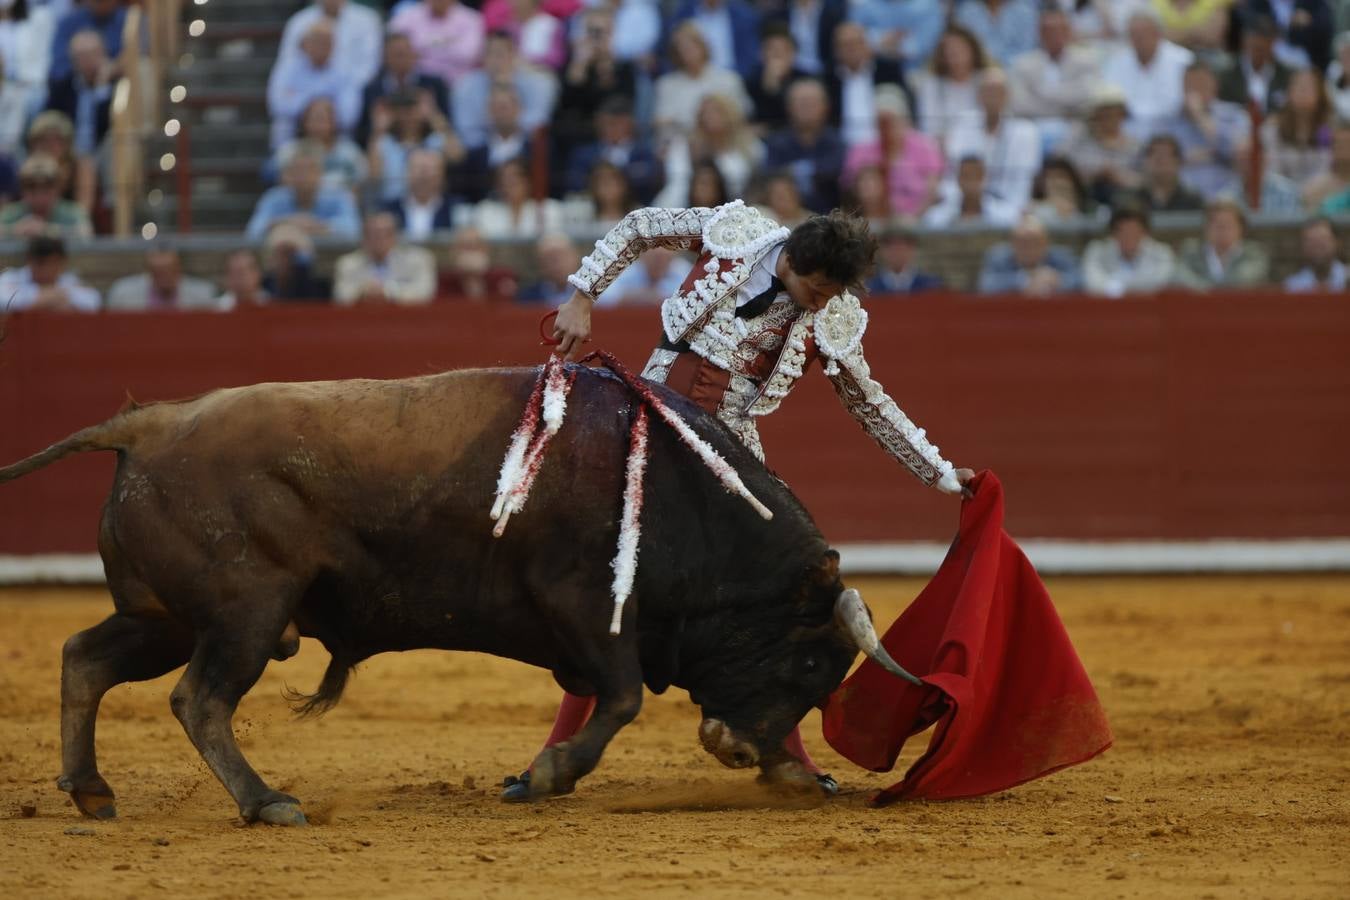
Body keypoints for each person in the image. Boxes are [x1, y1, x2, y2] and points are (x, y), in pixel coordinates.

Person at [523, 201, 977, 803]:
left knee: (769, 608)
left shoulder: (833, 315)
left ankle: (791, 760)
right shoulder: (735, 232)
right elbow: (638, 229)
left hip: (731, 455)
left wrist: (942, 475)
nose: (822, 302)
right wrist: (582, 295)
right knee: (611, 584)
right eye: (817, 288)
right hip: (647, 420)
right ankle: (555, 752)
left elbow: (870, 403)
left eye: (832, 293)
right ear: (790, 260)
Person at [945, 67, 1042, 211]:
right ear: (978, 95)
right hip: (964, 206)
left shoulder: (1026, 132)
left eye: (998, 92)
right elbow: (953, 174)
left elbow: (1024, 182)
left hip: (1009, 207)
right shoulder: (963, 125)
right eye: (987, 91)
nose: (992, 97)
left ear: (1008, 95)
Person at [842, 85, 943, 218]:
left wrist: (913, 218)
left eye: (891, 121)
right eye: (881, 122)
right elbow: (849, 192)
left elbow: (932, 191)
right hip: (871, 220)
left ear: (903, 120)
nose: (887, 127)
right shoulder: (860, 152)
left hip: (918, 221)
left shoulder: (925, 147)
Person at [1008, 6, 1102, 145]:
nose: (1055, 35)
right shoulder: (1023, 64)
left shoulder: (1086, 61)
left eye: (1060, 30)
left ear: (1068, 31)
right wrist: (1064, 108)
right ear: (1040, 33)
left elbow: (1088, 96)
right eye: (1049, 31)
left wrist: (1044, 92)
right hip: (1034, 127)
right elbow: (1020, 104)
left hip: (1075, 127)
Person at [452, 30, 558, 151]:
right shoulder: (465, 86)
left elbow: (538, 124)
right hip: (482, 151)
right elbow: (466, 130)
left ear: (513, 55)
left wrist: (507, 94)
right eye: (489, 54)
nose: (495, 61)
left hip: (525, 148)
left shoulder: (539, 83)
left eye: (500, 54)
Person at [266, 18, 361, 148]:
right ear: (305, 44)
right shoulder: (288, 68)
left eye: (326, 42)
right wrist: (316, 107)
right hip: (292, 139)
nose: (321, 47)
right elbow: (277, 104)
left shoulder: (344, 71)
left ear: (334, 45)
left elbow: (349, 114)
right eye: (317, 41)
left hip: (334, 143)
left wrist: (305, 102)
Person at [655, 93, 764, 206]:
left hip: (741, 204)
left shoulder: (750, 145)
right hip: (692, 205)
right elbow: (677, 183)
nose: (710, 116)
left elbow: (757, 182)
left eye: (717, 111)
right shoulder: (685, 146)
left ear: (730, 114)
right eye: (705, 112)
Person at [1101, 8, 1195, 136]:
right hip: (1127, 130)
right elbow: (1110, 100)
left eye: (1144, 34)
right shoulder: (1116, 62)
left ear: (1158, 33)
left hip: (1172, 129)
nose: (1139, 39)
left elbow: (1187, 104)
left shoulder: (1183, 60)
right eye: (1133, 35)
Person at [652, 21, 752, 141]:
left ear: (704, 46)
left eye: (692, 46)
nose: (687, 52)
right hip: (684, 146)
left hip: (725, 143)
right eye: (682, 48)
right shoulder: (666, 85)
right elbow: (662, 123)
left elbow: (741, 116)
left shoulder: (729, 79)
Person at [245, 143, 361, 242]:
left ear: (320, 174)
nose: (303, 176)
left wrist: (317, 226)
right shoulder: (274, 197)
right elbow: (253, 232)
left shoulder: (338, 196)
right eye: (298, 171)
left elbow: (353, 229)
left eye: (309, 170)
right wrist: (289, 222)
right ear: (288, 176)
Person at [1165, 62, 1248, 197]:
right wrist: (1183, 158)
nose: (1195, 91)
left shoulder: (1233, 115)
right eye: (1190, 86)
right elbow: (1159, 157)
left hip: (1226, 195)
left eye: (1201, 84)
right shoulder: (1170, 121)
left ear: (1214, 86)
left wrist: (1200, 117)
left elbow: (1238, 153)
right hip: (1182, 197)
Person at [764, 78, 846, 212]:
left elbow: (838, 178)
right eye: (802, 103)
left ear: (826, 106)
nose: (807, 109)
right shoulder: (776, 144)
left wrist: (795, 171)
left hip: (831, 215)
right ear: (788, 107)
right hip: (785, 217)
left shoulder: (837, 142)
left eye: (812, 103)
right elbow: (771, 177)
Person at [369, 88, 463, 204]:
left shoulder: (434, 140)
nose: (407, 116)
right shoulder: (384, 142)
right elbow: (374, 177)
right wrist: (378, 131)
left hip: (432, 204)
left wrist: (435, 117)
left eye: (413, 108)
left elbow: (457, 156)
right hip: (393, 205)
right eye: (401, 110)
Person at [356, 32, 450, 148]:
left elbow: (448, 125)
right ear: (385, 58)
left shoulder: (433, 85)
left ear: (414, 55)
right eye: (396, 54)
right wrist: (379, 127)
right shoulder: (372, 91)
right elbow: (361, 135)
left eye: (405, 53)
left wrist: (431, 114)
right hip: (386, 151)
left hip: (428, 148)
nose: (401, 59)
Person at [825, 20, 908, 149]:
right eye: (845, 45)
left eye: (857, 43)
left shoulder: (889, 71)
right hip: (841, 149)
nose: (852, 49)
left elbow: (904, 107)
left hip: (884, 145)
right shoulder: (828, 79)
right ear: (836, 51)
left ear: (868, 45)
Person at [562, 96, 661, 202]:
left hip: (637, 207)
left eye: (617, 123)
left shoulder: (644, 153)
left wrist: (616, 177)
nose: (612, 128)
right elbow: (575, 181)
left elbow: (650, 179)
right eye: (607, 123)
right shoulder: (584, 154)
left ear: (630, 124)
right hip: (592, 208)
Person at [277, 0, 383, 95]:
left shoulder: (367, 19)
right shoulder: (298, 22)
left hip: (352, 94)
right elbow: (287, 63)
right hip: (305, 96)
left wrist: (341, 91)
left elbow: (368, 68)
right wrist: (313, 97)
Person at [1059, 85, 1141, 207]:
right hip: (1082, 201)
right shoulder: (1077, 142)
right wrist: (1092, 175)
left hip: (1125, 203)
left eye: (1114, 113)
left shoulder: (1135, 146)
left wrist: (1118, 177)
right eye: (1104, 113)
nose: (1109, 118)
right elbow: (1059, 171)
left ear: (1123, 115)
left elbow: (1145, 182)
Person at [333, 212, 437, 306]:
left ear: (395, 236)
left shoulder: (418, 260)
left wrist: (388, 292)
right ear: (363, 238)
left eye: (386, 234)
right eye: (373, 234)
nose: (379, 239)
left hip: (407, 320)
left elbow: (425, 293)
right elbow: (341, 296)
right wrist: (363, 292)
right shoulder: (348, 263)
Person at [912, 25, 990, 148]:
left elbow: (992, 123)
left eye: (960, 49)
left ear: (972, 50)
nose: (955, 55)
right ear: (942, 56)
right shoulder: (931, 86)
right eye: (949, 51)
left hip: (982, 147)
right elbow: (928, 128)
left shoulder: (986, 81)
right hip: (943, 149)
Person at [269, 97, 369, 193]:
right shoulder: (290, 151)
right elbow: (273, 175)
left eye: (322, 119)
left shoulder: (350, 152)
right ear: (304, 122)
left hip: (339, 206)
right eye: (313, 119)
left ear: (334, 122)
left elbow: (363, 182)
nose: (318, 125)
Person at [1173, 197, 1270, 289]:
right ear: (1206, 228)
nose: (1222, 230)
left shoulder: (1254, 253)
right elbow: (1183, 277)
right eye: (1217, 224)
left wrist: (1208, 289)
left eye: (1228, 224)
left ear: (1241, 229)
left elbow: (1246, 279)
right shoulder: (1190, 252)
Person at [44, 29, 112, 160]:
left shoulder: (117, 86)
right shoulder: (62, 87)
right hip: (70, 153)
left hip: (104, 151)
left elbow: (107, 125)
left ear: (104, 54)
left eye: (93, 54)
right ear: (73, 59)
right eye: (82, 56)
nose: (88, 61)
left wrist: (102, 90)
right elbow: (49, 119)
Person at [1081, 204, 1177, 297]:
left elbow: (1161, 283)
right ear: (1113, 234)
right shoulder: (1097, 251)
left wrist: (1116, 287)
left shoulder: (1162, 253)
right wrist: (1131, 289)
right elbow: (1093, 284)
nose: (1129, 237)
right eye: (1124, 232)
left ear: (1145, 233)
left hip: (1149, 308)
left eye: (1134, 232)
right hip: (1108, 308)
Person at [388, 0, 486, 89]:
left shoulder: (472, 19)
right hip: (417, 83)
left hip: (456, 85)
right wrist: (449, 43)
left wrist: (423, 48)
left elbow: (467, 55)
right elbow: (393, 46)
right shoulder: (407, 15)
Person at [976, 213, 1081, 295]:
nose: (1029, 248)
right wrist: (1024, 281)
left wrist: (1057, 280)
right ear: (1013, 244)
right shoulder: (998, 256)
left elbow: (1080, 281)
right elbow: (986, 284)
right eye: (1023, 243)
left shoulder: (1061, 256)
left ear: (1045, 243)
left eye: (1035, 242)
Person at [1259, 67, 1331, 186]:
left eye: (1308, 87)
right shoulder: (1273, 128)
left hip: (1318, 194)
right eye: (1299, 86)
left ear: (1320, 93)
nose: (1303, 92)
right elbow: (1272, 171)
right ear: (1289, 92)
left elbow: (1327, 168)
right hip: (1281, 193)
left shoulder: (1328, 130)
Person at [466, 157, 564, 239]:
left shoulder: (548, 208)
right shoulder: (485, 210)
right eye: (503, 181)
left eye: (514, 181)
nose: (507, 186)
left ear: (528, 182)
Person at [665, 0, 762, 80]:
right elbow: (671, 52)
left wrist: (731, 78)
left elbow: (749, 57)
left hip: (733, 77)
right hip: (690, 78)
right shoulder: (682, 14)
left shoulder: (744, 16)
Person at [0, 152, 91, 238]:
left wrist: (47, 230)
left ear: (59, 188)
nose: (39, 197)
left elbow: (86, 234)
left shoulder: (74, 213)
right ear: (22, 189)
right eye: (31, 188)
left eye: (47, 189)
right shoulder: (10, 213)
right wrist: (15, 231)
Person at [0, 234, 99, 311]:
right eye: (41, 263)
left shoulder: (70, 281)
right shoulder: (11, 278)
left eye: (53, 263)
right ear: (29, 260)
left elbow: (93, 302)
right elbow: (3, 302)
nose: (47, 269)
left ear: (62, 262)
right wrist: (49, 298)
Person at [106, 244, 218, 311]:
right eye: (157, 272)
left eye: (169, 271)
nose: (164, 277)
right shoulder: (123, 294)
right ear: (148, 271)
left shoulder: (202, 294)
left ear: (178, 269)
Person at [1216, 14, 1291, 112]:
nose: (1259, 52)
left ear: (1273, 43)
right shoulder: (1226, 73)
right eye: (1255, 47)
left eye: (1263, 48)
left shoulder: (1287, 76)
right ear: (1245, 40)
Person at [922, 154, 1019, 228]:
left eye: (976, 176)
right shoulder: (939, 215)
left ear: (984, 178)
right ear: (958, 179)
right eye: (966, 176)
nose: (971, 181)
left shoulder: (1004, 214)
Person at [382, 147, 457, 240]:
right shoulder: (388, 210)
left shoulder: (455, 208)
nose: (423, 176)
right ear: (406, 173)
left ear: (442, 175)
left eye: (430, 169)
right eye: (418, 168)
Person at [747, 23, 809, 133]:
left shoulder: (806, 80)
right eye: (771, 50)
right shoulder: (751, 80)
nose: (777, 55)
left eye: (782, 50)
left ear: (793, 54)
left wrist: (776, 89)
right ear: (761, 54)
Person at [849, 0, 945, 70]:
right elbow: (851, 38)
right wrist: (882, 39)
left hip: (914, 72)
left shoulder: (927, 5)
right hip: (871, 71)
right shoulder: (865, 6)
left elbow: (924, 46)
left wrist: (883, 44)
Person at [1122, 133, 1205, 213]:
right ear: (1145, 161)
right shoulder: (1130, 199)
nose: (1161, 160)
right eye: (1155, 154)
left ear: (1179, 162)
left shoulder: (1193, 200)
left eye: (1167, 155)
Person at [436, 225, 519, 301]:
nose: (471, 253)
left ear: (486, 250)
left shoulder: (502, 277)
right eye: (466, 247)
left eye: (476, 246)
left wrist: (477, 280)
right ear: (453, 252)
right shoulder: (443, 280)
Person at [48, 0, 124, 81]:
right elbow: (57, 69)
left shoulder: (129, 21)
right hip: (75, 88)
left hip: (116, 85)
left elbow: (134, 58)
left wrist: (115, 66)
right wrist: (84, 66)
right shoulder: (68, 23)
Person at [953, 0, 1040, 67]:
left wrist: (1001, 67)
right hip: (978, 70)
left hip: (1016, 70)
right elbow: (965, 48)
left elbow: (1027, 51)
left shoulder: (1025, 12)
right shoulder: (966, 12)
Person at [866, 221, 943, 294]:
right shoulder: (870, 288)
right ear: (881, 250)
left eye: (902, 246)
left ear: (912, 249)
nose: (896, 251)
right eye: (890, 245)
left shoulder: (930, 285)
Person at [600, 246, 687, 305]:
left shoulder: (684, 272)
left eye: (665, 258)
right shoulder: (626, 271)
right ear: (642, 253)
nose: (659, 263)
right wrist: (630, 297)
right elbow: (602, 300)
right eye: (656, 257)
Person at [1283, 216, 1346, 291]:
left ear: (1337, 242)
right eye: (1311, 241)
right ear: (1302, 246)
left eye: (1323, 239)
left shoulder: (1347, 278)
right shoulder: (1292, 287)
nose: (1317, 246)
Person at [1028, 156, 1096, 223]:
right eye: (1051, 179)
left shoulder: (1092, 210)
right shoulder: (1034, 211)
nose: (1057, 183)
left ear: (1073, 181)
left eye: (1061, 177)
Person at [517, 231, 580, 304]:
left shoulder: (593, 292)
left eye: (561, 255)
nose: (556, 262)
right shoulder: (528, 298)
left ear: (575, 256)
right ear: (540, 263)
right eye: (549, 257)